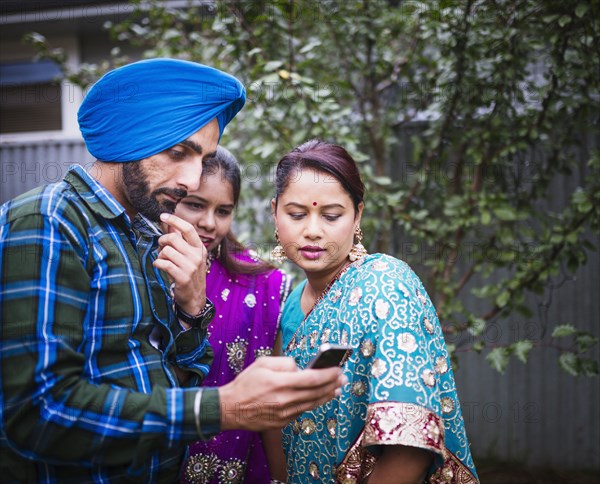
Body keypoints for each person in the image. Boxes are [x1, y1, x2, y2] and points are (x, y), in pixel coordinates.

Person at [0, 60, 345, 483]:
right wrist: (226, 407)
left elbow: (171, 381)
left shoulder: (144, 238)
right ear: (130, 134)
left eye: (203, 157)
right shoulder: (51, 220)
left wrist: (192, 309)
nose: (192, 178)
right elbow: (38, 413)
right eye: (178, 152)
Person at [270, 139, 479, 483]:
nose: (312, 230)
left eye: (331, 215)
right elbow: (278, 420)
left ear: (358, 216)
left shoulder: (384, 286)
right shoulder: (290, 304)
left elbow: (410, 446)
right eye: (296, 214)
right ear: (275, 212)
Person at [175, 146, 292, 483]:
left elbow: (273, 408)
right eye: (195, 205)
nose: (209, 223)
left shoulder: (262, 286)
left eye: (223, 211)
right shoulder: (137, 273)